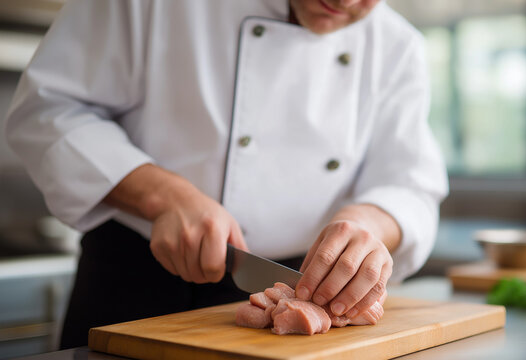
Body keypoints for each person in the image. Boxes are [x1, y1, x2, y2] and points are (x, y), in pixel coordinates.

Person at [4, 0, 448, 348]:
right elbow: (48, 111)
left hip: (303, 292)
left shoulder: (396, 45)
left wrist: (368, 224)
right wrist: (164, 195)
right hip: (137, 288)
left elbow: (409, 184)